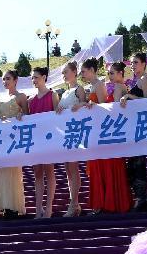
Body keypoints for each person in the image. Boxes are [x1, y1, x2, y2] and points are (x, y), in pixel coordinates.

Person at [77, 59, 131, 214]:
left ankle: (109, 203)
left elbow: (105, 108)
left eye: (84, 71)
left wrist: (92, 105)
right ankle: (102, 203)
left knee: (106, 166)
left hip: (105, 132)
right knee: (98, 167)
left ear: (92, 70)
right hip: (97, 131)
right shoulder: (95, 86)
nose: (82, 74)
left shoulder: (101, 85)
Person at [119, 53, 147, 211]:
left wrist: (129, 96)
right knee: (132, 165)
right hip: (132, 126)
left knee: (138, 164)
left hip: (140, 126)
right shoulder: (135, 80)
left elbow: (146, 101)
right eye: (131, 63)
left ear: (144, 64)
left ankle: (142, 199)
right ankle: (139, 198)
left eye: (136, 62)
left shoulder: (145, 79)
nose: (133, 65)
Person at [0, 71, 29, 219]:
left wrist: (22, 116)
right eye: (3, 79)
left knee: (14, 173)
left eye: (8, 79)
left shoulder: (21, 97)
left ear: (16, 80)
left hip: (14, 140)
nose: (5, 81)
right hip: (2, 140)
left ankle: (14, 206)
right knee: (3, 173)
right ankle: (4, 205)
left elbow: (28, 117)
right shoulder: (1, 99)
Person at [27, 66, 60, 218]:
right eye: (32, 78)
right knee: (37, 173)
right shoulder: (31, 101)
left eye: (37, 77)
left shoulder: (52, 95)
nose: (34, 80)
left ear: (44, 77)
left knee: (49, 171)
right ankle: (38, 208)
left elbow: (58, 117)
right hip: (35, 140)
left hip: (49, 139)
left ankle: (48, 208)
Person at [56, 61, 87, 216]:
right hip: (65, 133)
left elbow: (86, 104)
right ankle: (74, 203)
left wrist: (80, 105)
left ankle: (73, 204)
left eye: (66, 72)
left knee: (73, 168)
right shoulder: (64, 93)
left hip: (75, 132)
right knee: (68, 169)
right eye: (63, 73)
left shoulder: (79, 89)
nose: (64, 75)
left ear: (74, 72)